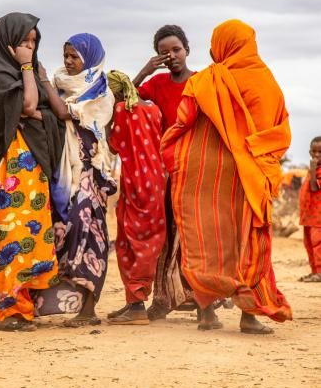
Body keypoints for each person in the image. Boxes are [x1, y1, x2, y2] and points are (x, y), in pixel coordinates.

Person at [161, 19, 293, 333]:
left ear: (220, 46)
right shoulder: (267, 82)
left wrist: (172, 152)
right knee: (249, 242)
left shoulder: (206, 80)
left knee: (207, 239)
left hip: (209, 177)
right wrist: (252, 149)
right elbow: (279, 132)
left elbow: (183, 122)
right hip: (249, 178)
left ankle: (206, 313)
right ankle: (249, 316)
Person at [0, 12, 64, 331]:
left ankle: (13, 304)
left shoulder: (28, 75)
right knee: (10, 234)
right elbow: (27, 106)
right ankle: (3, 309)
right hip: (5, 167)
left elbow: (53, 113)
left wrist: (40, 108)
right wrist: (26, 69)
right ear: (6, 40)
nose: (29, 46)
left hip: (27, 166)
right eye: (24, 40)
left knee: (26, 233)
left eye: (34, 41)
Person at [34, 33, 117, 328]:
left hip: (88, 175)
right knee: (60, 233)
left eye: (75, 56)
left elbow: (61, 112)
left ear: (90, 58)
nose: (68, 62)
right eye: (65, 55)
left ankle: (89, 310)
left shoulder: (100, 92)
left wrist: (42, 79)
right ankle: (54, 305)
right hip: (61, 172)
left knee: (89, 235)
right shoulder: (59, 83)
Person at [133, 25, 198, 320]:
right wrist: (146, 71)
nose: (171, 56)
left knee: (194, 235)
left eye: (176, 50)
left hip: (196, 168)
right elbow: (126, 100)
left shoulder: (202, 82)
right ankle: (164, 296)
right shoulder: (157, 84)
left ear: (187, 49)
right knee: (168, 234)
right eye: (163, 53)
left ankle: (200, 297)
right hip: (166, 171)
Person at [105, 70, 166, 325]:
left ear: (116, 92)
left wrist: (107, 118)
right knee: (150, 241)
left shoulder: (120, 110)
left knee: (131, 242)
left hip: (135, 182)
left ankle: (137, 305)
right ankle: (135, 301)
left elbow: (113, 145)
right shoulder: (154, 109)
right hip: (158, 180)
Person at [299, 136, 321, 282]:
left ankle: (319, 272)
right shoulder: (313, 169)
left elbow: (314, 187)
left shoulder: (316, 171)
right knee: (308, 244)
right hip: (308, 216)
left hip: (318, 217)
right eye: (314, 152)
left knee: (318, 243)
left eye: (320, 152)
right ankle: (314, 272)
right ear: (310, 152)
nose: (317, 155)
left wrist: (313, 171)